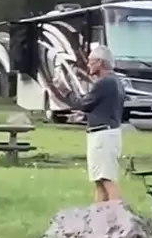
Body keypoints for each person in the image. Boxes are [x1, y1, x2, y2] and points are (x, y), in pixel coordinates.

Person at [54, 45, 126, 203]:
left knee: (106, 179)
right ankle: (99, 219)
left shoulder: (105, 83)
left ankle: (117, 218)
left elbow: (83, 104)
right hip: (106, 133)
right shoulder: (115, 82)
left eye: (90, 61)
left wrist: (65, 91)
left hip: (103, 136)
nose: (87, 65)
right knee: (100, 181)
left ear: (100, 62)